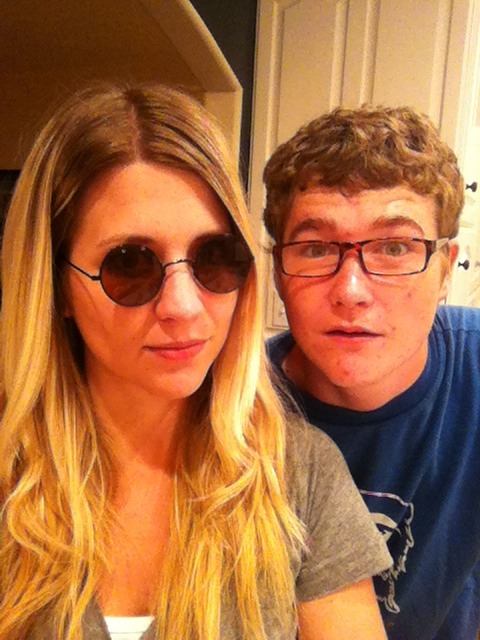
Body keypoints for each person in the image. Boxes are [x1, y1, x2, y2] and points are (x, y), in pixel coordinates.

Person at [0, 84, 391, 640]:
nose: (184, 307)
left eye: (214, 257)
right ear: (56, 284)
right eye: (129, 264)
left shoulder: (300, 474)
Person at [263, 104, 480, 640]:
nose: (351, 291)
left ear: (445, 268)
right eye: (315, 249)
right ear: (278, 272)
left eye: (395, 247)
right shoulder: (231, 409)